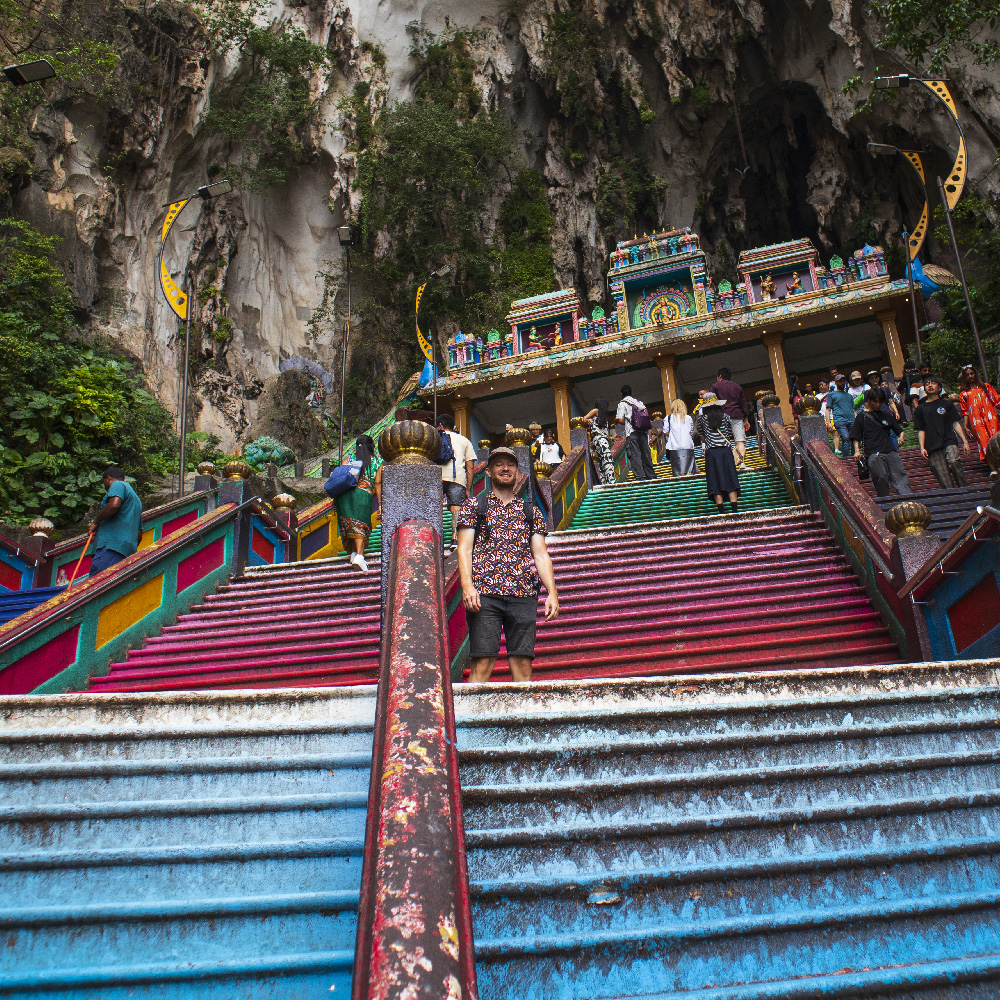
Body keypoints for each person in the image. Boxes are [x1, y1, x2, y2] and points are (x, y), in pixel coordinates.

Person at [456, 447, 558, 683]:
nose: (505, 468)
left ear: (517, 472)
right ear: (489, 472)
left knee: (523, 663)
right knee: (482, 662)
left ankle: (522, 719)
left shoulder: (530, 511)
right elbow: (464, 548)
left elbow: (541, 555)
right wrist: (467, 586)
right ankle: (471, 719)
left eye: (510, 465)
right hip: (485, 594)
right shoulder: (474, 506)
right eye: (499, 464)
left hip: (522, 592)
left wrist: (552, 592)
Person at [849, 390, 912, 496]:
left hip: (890, 450)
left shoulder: (886, 415)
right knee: (880, 476)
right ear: (869, 401)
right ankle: (884, 499)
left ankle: (909, 499)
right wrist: (857, 451)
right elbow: (856, 435)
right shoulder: (861, 417)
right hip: (873, 453)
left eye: (880, 402)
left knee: (900, 476)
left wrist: (901, 437)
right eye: (875, 402)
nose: (878, 405)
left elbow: (899, 430)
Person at [914, 374, 971, 488]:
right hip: (932, 445)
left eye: (933, 383)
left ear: (939, 388)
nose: (930, 386)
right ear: (924, 389)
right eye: (927, 384)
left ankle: (965, 489)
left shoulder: (947, 404)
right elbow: (921, 429)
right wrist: (922, 447)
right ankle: (952, 498)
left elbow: (955, 423)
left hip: (949, 440)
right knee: (942, 476)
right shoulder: (920, 409)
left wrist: (965, 441)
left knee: (954, 462)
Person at [87, 466, 143, 575]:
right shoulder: (136, 501)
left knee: (97, 586)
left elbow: (114, 505)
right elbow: (139, 534)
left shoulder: (117, 484)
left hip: (111, 548)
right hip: (126, 553)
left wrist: (95, 522)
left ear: (108, 478)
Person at [336, 433, 380, 572]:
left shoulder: (348, 459)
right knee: (361, 524)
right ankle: (360, 556)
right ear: (372, 447)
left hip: (344, 496)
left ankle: (353, 553)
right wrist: (380, 504)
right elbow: (378, 482)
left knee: (350, 523)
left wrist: (335, 499)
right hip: (362, 494)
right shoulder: (376, 461)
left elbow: (339, 477)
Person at [436, 414, 477, 544]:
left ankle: (435, 538)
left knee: (435, 506)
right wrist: (468, 488)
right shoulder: (464, 440)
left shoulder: (434, 439)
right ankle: (454, 538)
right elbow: (470, 468)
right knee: (456, 507)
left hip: (436, 477)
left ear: (440, 425)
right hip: (457, 477)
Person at [695, 394, 740, 514]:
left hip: (711, 453)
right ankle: (734, 510)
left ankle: (721, 512)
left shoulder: (702, 419)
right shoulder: (725, 416)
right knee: (730, 478)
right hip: (725, 451)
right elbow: (730, 434)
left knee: (715, 480)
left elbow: (702, 438)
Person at [710, 367, 751, 469]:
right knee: (739, 441)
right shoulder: (737, 387)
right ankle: (742, 463)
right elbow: (743, 404)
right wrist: (746, 419)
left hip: (722, 417)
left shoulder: (715, 386)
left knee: (724, 441)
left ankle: (727, 465)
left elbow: (712, 403)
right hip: (737, 416)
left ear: (720, 376)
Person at [958, 365, 1000, 461]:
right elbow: (965, 412)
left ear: (975, 374)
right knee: (984, 441)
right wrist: (965, 426)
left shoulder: (986, 387)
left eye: (972, 373)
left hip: (991, 417)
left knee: (995, 440)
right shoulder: (964, 393)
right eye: (967, 375)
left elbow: (997, 401)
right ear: (965, 377)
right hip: (976, 421)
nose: (970, 376)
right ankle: (992, 469)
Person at [616, 384, 656, 480]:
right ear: (631, 393)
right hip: (642, 431)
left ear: (621, 394)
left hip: (631, 432)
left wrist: (616, 420)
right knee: (645, 454)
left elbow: (621, 420)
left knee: (635, 454)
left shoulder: (622, 404)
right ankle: (651, 475)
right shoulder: (638, 402)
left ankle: (640, 476)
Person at [582, 397, 616, 485]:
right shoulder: (596, 411)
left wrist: (611, 438)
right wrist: (588, 420)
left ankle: (604, 481)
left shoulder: (602, 416)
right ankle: (611, 481)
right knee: (607, 458)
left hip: (601, 439)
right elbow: (583, 419)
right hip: (600, 439)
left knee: (602, 461)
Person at [824, 374, 857, 457]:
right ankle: (847, 458)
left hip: (851, 419)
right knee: (845, 437)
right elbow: (828, 410)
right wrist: (828, 423)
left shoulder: (849, 396)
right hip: (839, 420)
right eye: (840, 381)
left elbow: (853, 410)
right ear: (836, 383)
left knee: (853, 438)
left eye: (843, 381)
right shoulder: (831, 395)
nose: (842, 383)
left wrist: (857, 419)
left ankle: (854, 457)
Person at [664, 397, 696, 476]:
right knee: (689, 468)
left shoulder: (668, 418)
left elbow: (665, 431)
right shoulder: (688, 418)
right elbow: (691, 431)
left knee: (677, 469)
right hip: (688, 445)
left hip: (674, 446)